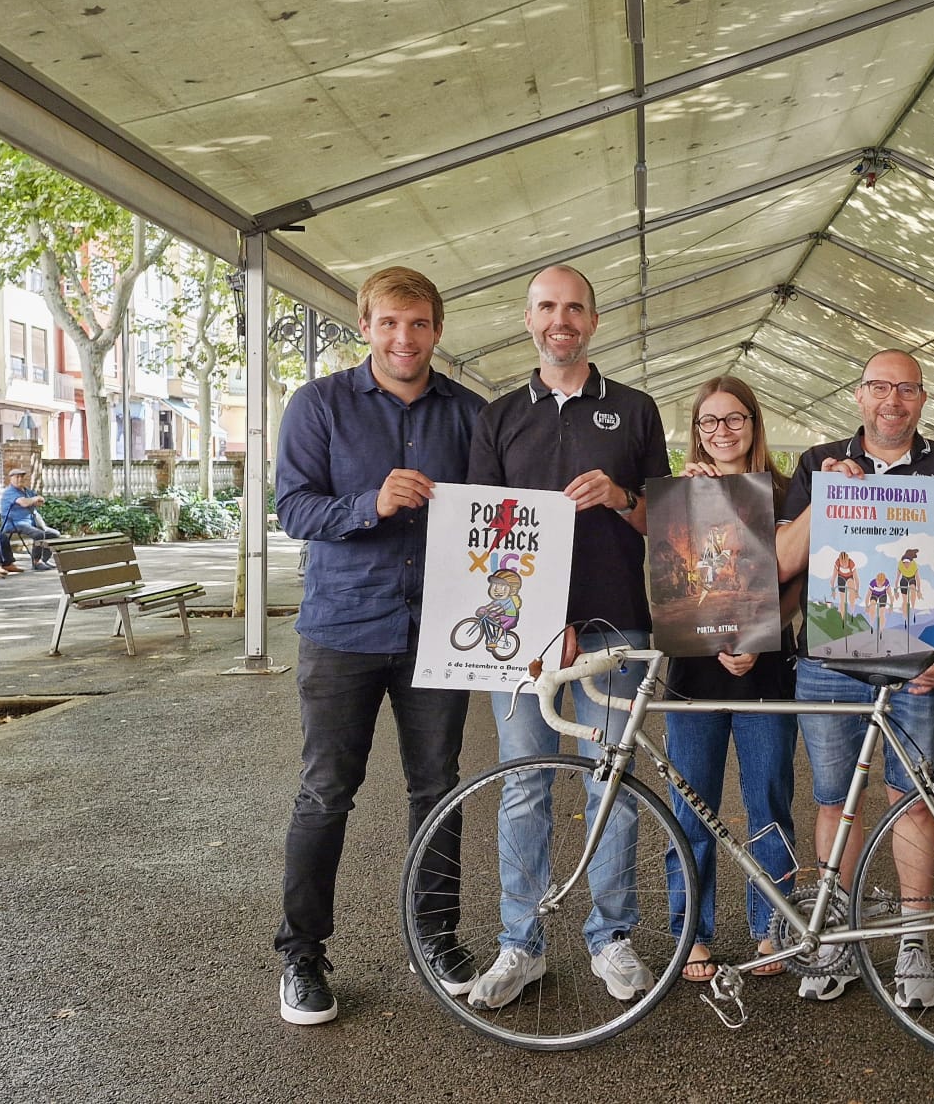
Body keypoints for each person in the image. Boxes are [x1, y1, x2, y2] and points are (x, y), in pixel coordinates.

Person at [272, 266, 485, 1025]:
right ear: (365, 326)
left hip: (441, 634)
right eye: (390, 322)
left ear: (437, 329)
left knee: (438, 789)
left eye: (419, 323)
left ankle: (435, 936)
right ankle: (302, 954)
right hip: (342, 629)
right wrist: (372, 503)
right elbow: (292, 508)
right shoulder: (318, 405)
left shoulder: (468, 414)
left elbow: (497, 514)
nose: (405, 337)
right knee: (327, 791)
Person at [466, 264, 670, 1008]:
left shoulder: (637, 411)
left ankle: (610, 936)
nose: (561, 319)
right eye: (547, 307)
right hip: (524, 640)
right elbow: (480, 538)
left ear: (593, 320)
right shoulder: (496, 419)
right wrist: (537, 625)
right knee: (524, 785)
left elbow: (666, 523)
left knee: (608, 783)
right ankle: (520, 944)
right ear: (528, 320)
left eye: (574, 307)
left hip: (618, 625)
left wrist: (622, 497)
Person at [776, 349, 934, 1007]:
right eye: (878, 387)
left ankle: (915, 942)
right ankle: (835, 936)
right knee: (835, 800)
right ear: (858, 395)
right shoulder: (816, 463)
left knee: (913, 799)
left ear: (922, 399)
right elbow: (782, 559)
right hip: (829, 663)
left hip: (916, 665)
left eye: (906, 389)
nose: (891, 400)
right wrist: (829, 494)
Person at [662, 376, 799, 984]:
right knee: (691, 807)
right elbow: (671, 577)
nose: (722, 432)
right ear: (695, 430)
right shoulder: (679, 496)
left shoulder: (786, 492)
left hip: (764, 667)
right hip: (693, 671)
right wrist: (682, 503)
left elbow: (795, 579)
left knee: (768, 799)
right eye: (709, 422)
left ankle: (772, 926)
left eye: (734, 419)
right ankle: (692, 931)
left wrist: (755, 636)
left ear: (754, 423)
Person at [0, 468, 62, 569]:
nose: (20, 479)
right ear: (11, 479)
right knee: (39, 534)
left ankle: (43, 560)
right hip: (15, 523)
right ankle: (36, 561)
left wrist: (34, 500)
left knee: (54, 534)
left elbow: (40, 502)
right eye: (17, 477)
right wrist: (34, 499)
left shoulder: (26, 491)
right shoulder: (9, 492)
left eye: (22, 477)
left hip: (30, 522)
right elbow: (24, 502)